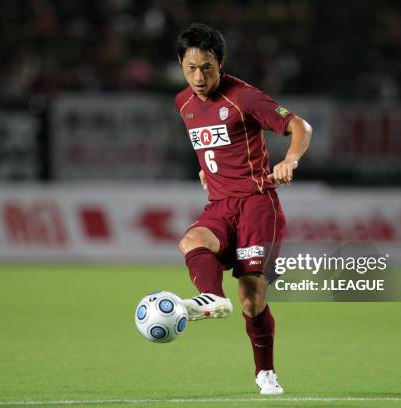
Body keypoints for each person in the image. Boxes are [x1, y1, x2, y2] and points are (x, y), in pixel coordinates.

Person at [174, 23, 312, 395]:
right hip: (220, 205)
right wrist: (206, 170)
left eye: (206, 68)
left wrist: (291, 160)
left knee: (252, 299)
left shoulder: (244, 98)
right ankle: (212, 299)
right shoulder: (183, 103)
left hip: (257, 205)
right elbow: (210, 145)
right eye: (191, 69)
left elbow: (300, 126)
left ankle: (265, 372)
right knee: (191, 241)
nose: (199, 77)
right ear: (181, 67)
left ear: (221, 63)